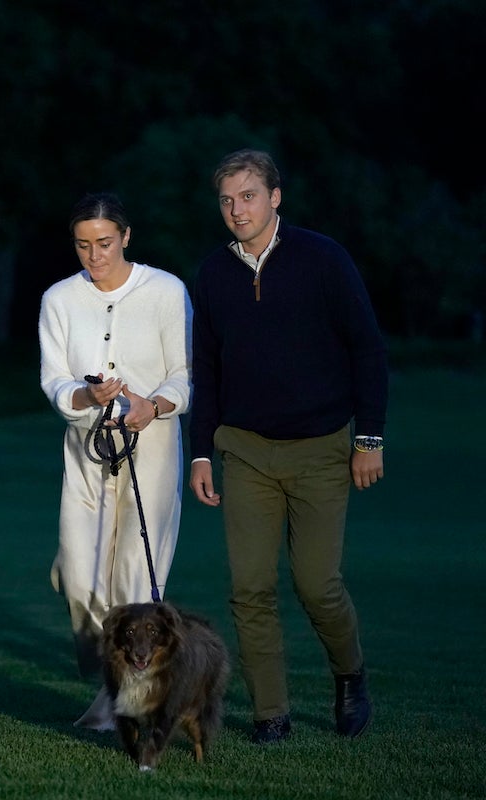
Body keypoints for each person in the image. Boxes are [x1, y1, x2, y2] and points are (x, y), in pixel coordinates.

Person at [189, 149, 386, 744]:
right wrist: (201, 452)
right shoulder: (214, 272)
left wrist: (369, 438)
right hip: (245, 451)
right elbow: (208, 368)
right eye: (226, 199)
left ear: (275, 198)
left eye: (248, 196)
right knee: (249, 586)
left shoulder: (324, 259)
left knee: (316, 584)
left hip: (322, 448)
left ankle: (350, 675)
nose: (237, 209)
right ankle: (271, 712)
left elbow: (367, 351)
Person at [38, 192, 193, 730]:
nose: (94, 256)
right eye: (83, 245)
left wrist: (153, 405)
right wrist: (87, 399)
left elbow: (183, 374)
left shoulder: (166, 291)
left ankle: (120, 700)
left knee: (135, 579)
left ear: (125, 237)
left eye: (104, 243)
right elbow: (54, 379)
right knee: (79, 580)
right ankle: (103, 667)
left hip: (151, 449)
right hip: (85, 453)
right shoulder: (59, 299)